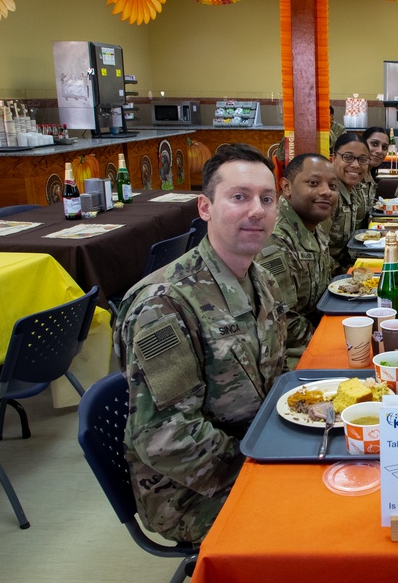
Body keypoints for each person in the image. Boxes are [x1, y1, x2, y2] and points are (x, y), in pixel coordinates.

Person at [115, 143, 288, 544]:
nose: (257, 211)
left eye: (267, 199)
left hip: (255, 446)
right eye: (239, 197)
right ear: (205, 207)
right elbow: (165, 436)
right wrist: (263, 466)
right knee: (317, 514)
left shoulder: (261, 279)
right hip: (190, 491)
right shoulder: (164, 305)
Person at [256, 153, 337, 363]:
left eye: (332, 186)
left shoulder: (313, 225)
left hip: (315, 328)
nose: (326, 192)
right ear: (286, 186)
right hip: (288, 355)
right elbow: (284, 322)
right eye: (313, 183)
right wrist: (334, 340)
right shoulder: (275, 240)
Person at [325, 133, 371, 275]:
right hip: (330, 274)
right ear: (334, 158)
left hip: (347, 262)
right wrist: (348, 273)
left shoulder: (355, 190)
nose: (356, 165)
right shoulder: (327, 195)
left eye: (362, 159)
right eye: (348, 157)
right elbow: (320, 254)